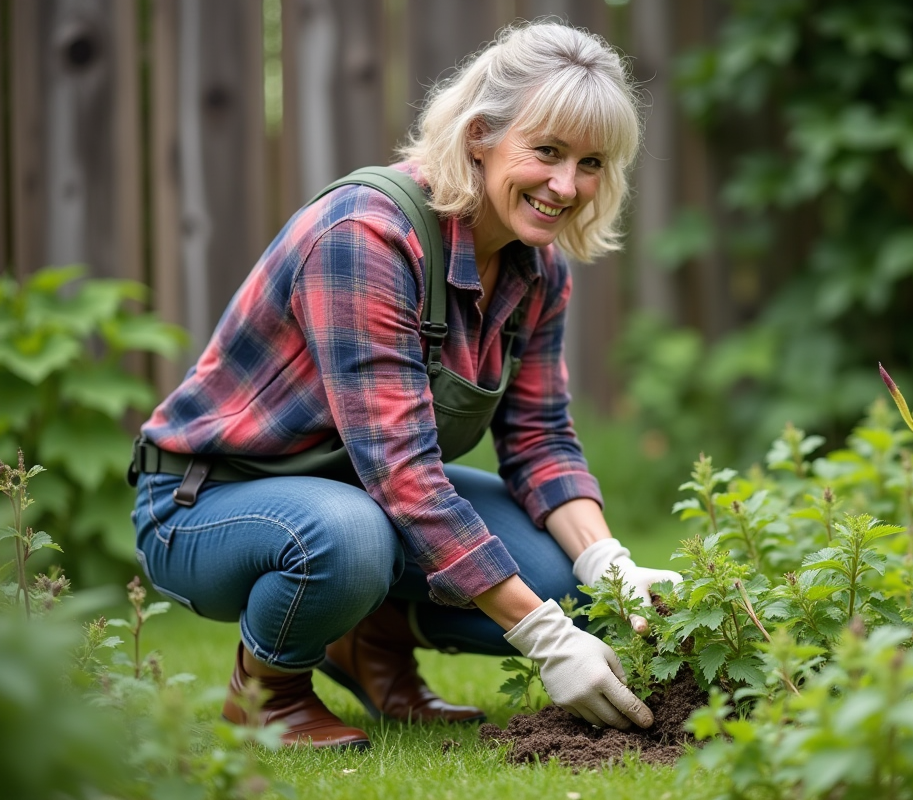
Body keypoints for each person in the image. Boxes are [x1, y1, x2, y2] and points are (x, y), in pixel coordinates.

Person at [129, 20, 680, 749]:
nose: (566, 186)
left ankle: (365, 641)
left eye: (591, 164)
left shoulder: (536, 269)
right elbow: (404, 476)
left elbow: (541, 440)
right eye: (547, 152)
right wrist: (543, 639)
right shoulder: (367, 235)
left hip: (361, 492)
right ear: (481, 135)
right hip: (209, 502)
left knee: (571, 585)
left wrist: (610, 568)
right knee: (348, 538)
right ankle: (269, 694)